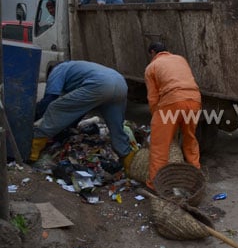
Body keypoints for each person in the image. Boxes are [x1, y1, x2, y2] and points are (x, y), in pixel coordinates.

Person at [30, 61, 136, 170]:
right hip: (121, 83)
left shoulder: (57, 70)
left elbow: (49, 99)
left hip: (100, 84)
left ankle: (33, 149)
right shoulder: (78, 69)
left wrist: (32, 120)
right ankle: (130, 165)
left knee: (55, 107)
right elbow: (78, 109)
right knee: (116, 127)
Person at [144, 42, 201, 191]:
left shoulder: (152, 67)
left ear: (152, 52)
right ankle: (196, 175)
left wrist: (157, 118)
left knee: (159, 146)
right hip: (195, 100)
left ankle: (155, 185)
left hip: (172, 101)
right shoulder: (180, 59)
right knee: (190, 139)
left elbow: (153, 98)